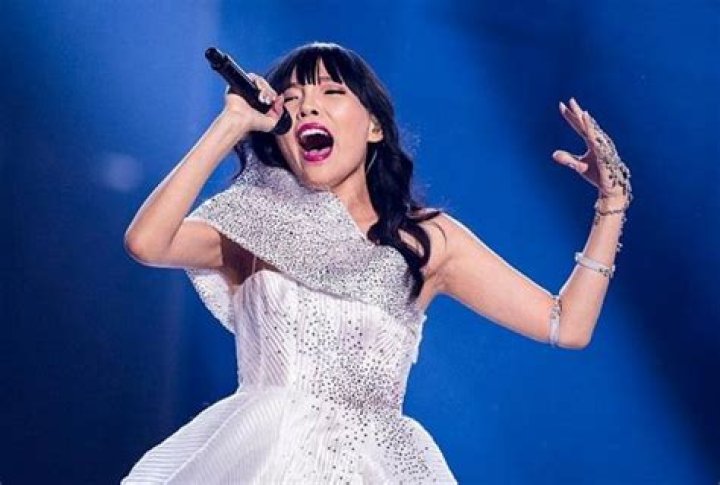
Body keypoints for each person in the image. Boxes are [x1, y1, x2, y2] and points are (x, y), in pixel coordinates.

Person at [121, 41, 632, 483]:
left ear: (373, 128)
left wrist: (612, 204)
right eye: (291, 99)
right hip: (260, 458)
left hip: (373, 466)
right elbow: (147, 242)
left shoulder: (426, 240)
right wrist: (231, 123)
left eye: (331, 92)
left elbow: (566, 324)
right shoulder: (252, 223)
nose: (307, 107)